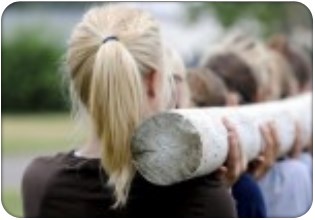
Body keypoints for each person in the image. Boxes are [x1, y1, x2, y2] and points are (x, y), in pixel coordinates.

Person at [22, 4, 242, 217]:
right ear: (153, 82)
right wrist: (225, 190)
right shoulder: (201, 198)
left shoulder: (40, 183)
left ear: (80, 85)